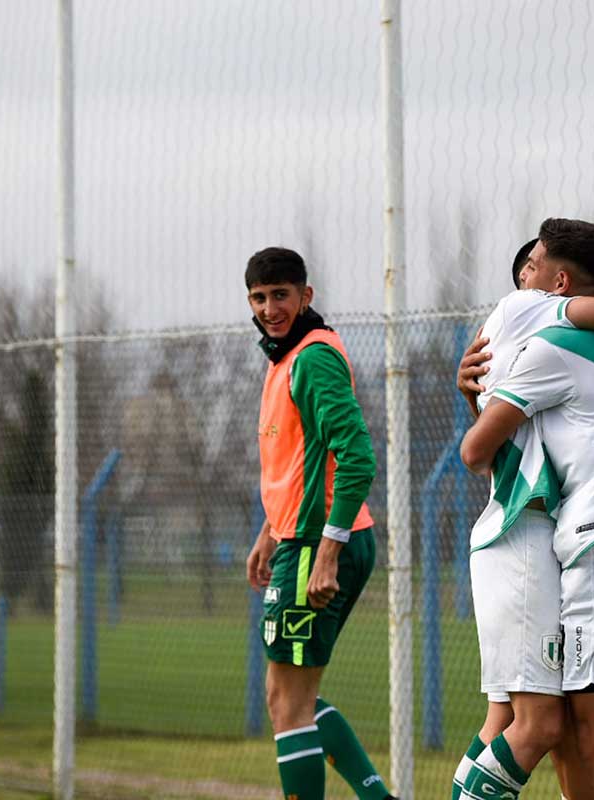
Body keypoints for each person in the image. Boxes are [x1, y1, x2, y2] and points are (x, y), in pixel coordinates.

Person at [458, 218, 594, 800]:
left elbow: (476, 450)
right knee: (568, 738)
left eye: (530, 268)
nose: (519, 279)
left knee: (593, 744)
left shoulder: (549, 342)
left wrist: (480, 400)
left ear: (556, 284)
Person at [242, 247, 396, 800]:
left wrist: (326, 551)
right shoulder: (283, 360)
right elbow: (300, 463)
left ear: (306, 296)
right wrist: (268, 532)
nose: (269, 308)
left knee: (288, 702)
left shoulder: (312, 357)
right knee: (288, 698)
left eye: (280, 295)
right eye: (259, 298)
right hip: (299, 539)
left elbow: (355, 453)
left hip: (319, 543)